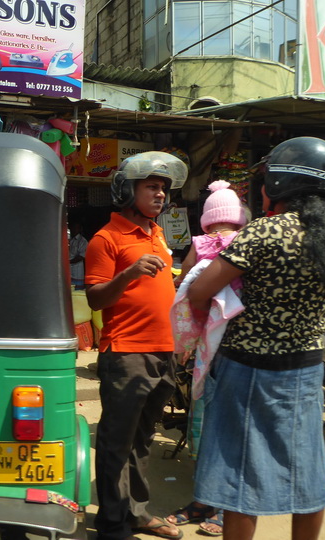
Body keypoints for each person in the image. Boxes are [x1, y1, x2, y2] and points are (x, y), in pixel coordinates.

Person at [186, 137, 325, 540]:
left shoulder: (265, 232)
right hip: (307, 373)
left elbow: (199, 291)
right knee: (307, 472)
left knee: (239, 478)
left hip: (248, 372)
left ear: (282, 184)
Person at [85, 151, 188, 540]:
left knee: (142, 440)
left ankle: (138, 513)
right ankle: (112, 524)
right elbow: (95, 299)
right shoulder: (105, 238)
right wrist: (128, 273)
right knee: (116, 442)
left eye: (163, 188)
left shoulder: (157, 234)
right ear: (128, 191)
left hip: (164, 352)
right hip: (127, 353)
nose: (160, 195)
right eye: (151, 187)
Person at [167, 179, 249, 537]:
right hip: (237, 347)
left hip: (209, 349)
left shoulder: (199, 245)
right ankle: (213, 504)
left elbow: (185, 287)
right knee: (232, 430)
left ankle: (213, 503)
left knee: (206, 422)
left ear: (206, 219)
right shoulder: (249, 244)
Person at [69, 221, 88, 289]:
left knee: (77, 292)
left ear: (80, 229)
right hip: (68, 271)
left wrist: (67, 262)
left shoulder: (83, 241)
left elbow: (81, 256)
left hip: (77, 272)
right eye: (73, 227)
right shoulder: (69, 239)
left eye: (76, 228)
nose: (74, 229)